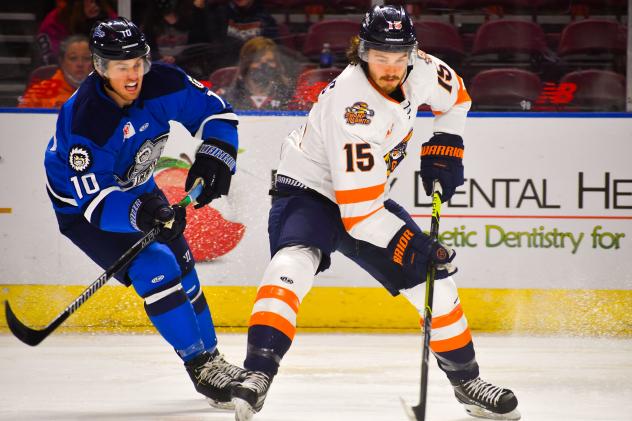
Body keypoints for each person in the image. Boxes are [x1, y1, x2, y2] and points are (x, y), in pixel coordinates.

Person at [230, 5, 521, 421]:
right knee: (290, 264)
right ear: (362, 52)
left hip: (368, 197)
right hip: (310, 194)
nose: (391, 67)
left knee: (435, 282)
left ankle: (468, 382)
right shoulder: (353, 108)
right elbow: (359, 216)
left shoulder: (420, 68)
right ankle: (257, 375)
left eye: (399, 56)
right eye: (380, 57)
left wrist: (445, 144)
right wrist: (416, 245)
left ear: (412, 52)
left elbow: (457, 98)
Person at [43, 17, 244, 409]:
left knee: (184, 264)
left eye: (138, 62)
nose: (132, 74)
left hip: (135, 183)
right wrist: (144, 212)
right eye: (121, 66)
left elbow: (216, 112)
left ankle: (214, 357)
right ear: (100, 67)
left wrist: (216, 152)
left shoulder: (163, 81)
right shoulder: (85, 119)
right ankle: (200, 365)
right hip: (84, 207)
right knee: (157, 265)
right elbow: (96, 205)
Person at [20, 35, 92, 108]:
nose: (80, 64)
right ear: (62, 62)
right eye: (73, 58)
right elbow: (20, 117)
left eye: (87, 58)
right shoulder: (39, 92)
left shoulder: (102, 90)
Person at [222, 36, 293, 110]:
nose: (263, 67)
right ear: (246, 64)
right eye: (257, 60)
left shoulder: (289, 98)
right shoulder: (226, 98)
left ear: (277, 64)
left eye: (270, 61)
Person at [204, 0, 278, 69]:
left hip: (254, 70)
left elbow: (272, 51)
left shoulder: (266, 19)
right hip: (227, 70)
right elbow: (214, 48)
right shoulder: (220, 14)